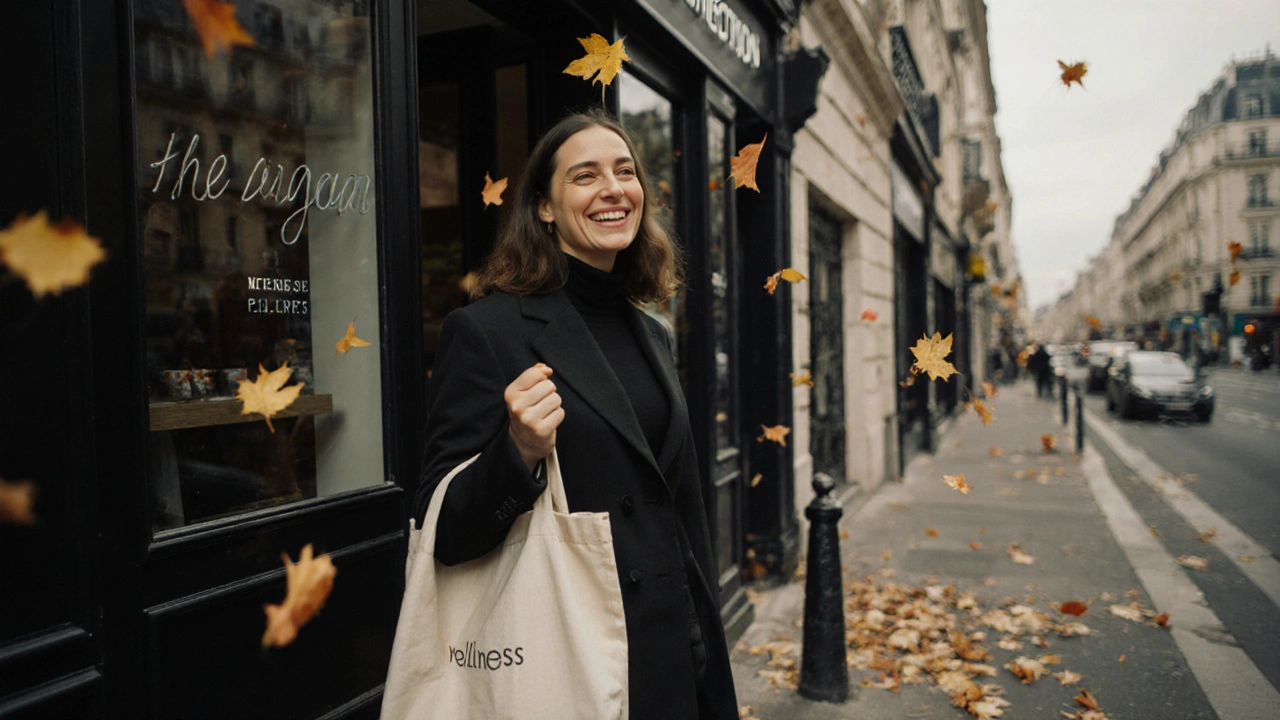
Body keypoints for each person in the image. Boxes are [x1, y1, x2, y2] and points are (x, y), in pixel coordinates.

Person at [413, 110, 738, 720]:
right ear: (544, 207)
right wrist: (517, 454)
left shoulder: (652, 333)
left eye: (624, 172)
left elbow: (681, 512)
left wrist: (701, 644)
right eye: (585, 176)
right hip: (570, 659)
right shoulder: (487, 331)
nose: (613, 188)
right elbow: (443, 533)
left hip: (671, 653)